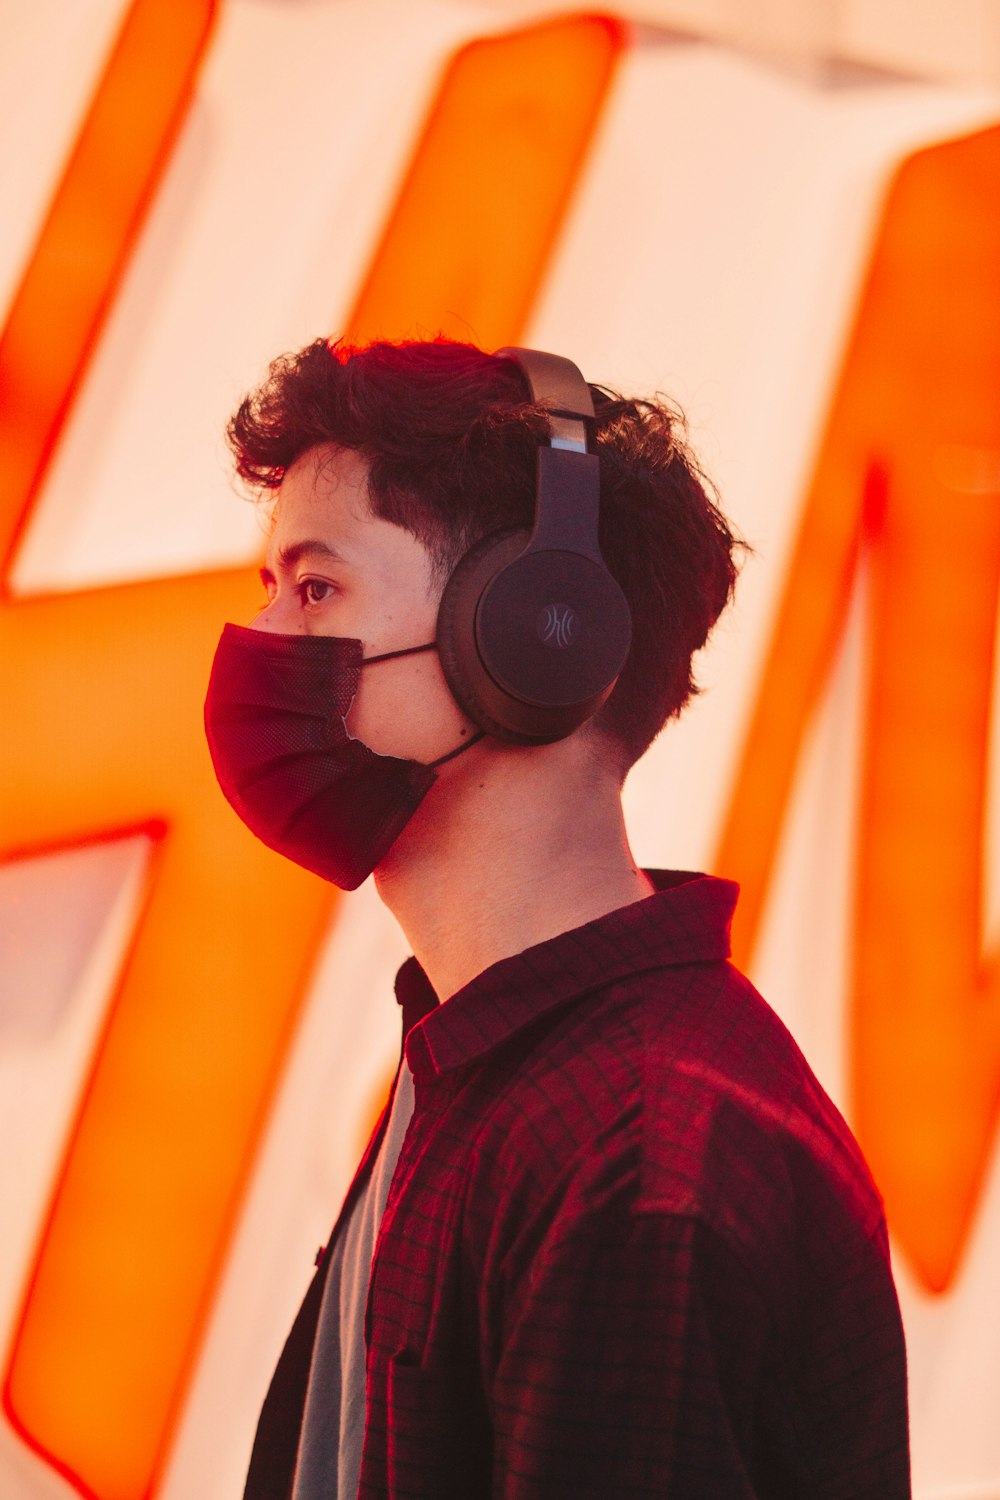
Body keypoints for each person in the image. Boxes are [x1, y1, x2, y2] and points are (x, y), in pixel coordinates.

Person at [203, 337, 910, 1499]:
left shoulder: (640, 1158)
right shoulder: (482, 1062)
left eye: (317, 587)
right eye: (270, 590)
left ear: (535, 631)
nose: (262, 642)